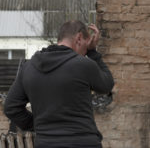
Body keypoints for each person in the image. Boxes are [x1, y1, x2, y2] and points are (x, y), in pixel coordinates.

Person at [4, 20, 114, 148]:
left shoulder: (29, 68)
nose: (85, 51)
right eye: (86, 44)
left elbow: (11, 107)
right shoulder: (83, 65)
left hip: (46, 143)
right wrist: (93, 52)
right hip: (83, 143)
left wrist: (39, 126)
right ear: (79, 38)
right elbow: (107, 85)